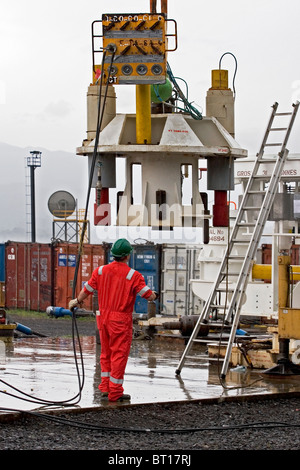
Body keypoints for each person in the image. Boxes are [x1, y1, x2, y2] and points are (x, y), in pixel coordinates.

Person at [68, 238, 158, 402]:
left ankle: (105, 388)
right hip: (120, 321)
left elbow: (87, 289)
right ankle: (115, 392)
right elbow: (147, 294)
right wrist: (155, 295)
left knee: (106, 353)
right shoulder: (133, 275)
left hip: (103, 319)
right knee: (119, 355)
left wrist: (76, 301)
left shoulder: (100, 271)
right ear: (127, 255)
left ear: (113, 254)